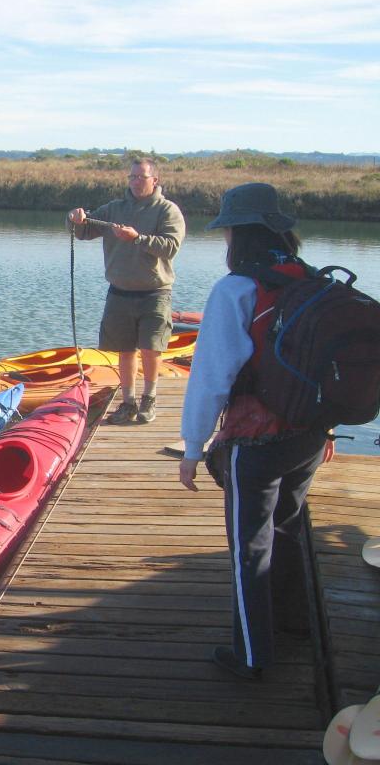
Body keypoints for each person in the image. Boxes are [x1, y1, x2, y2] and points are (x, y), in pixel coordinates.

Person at [178, 182, 330, 680]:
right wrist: (325, 430)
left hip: (256, 443)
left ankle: (251, 655)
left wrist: (193, 446)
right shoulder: (311, 280)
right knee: (287, 530)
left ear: (238, 236)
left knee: (249, 549)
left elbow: (212, 375)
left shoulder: (237, 289)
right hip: (308, 435)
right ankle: (294, 623)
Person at [67, 158, 186, 424]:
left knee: (151, 348)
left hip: (155, 292)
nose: (134, 182)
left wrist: (138, 238)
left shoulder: (167, 211)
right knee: (125, 349)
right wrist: (75, 218)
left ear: (154, 180)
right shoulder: (114, 209)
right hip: (120, 292)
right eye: (131, 177)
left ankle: (149, 399)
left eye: (140, 177)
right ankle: (128, 401)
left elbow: (170, 247)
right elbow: (84, 231)